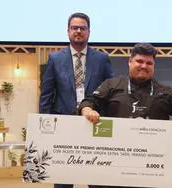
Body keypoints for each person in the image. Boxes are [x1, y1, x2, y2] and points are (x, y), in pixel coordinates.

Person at [79, 43, 172, 188]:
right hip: (114, 165)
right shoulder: (111, 85)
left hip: (150, 169)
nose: (144, 66)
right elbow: (88, 102)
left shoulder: (165, 92)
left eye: (149, 63)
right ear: (130, 61)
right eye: (139, 61)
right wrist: (88, 110)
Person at [39, 12, 114, 188]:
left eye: (82, 28)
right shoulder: (55, 59)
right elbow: (47, 95)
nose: (78, 31)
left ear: (89, 32)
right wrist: (44, 124)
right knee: (63, 179)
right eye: (74, 28)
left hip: (95, 123)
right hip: (63, 124)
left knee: (97, 178)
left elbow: (111, 93)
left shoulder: (102, 59)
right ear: (68, 31)